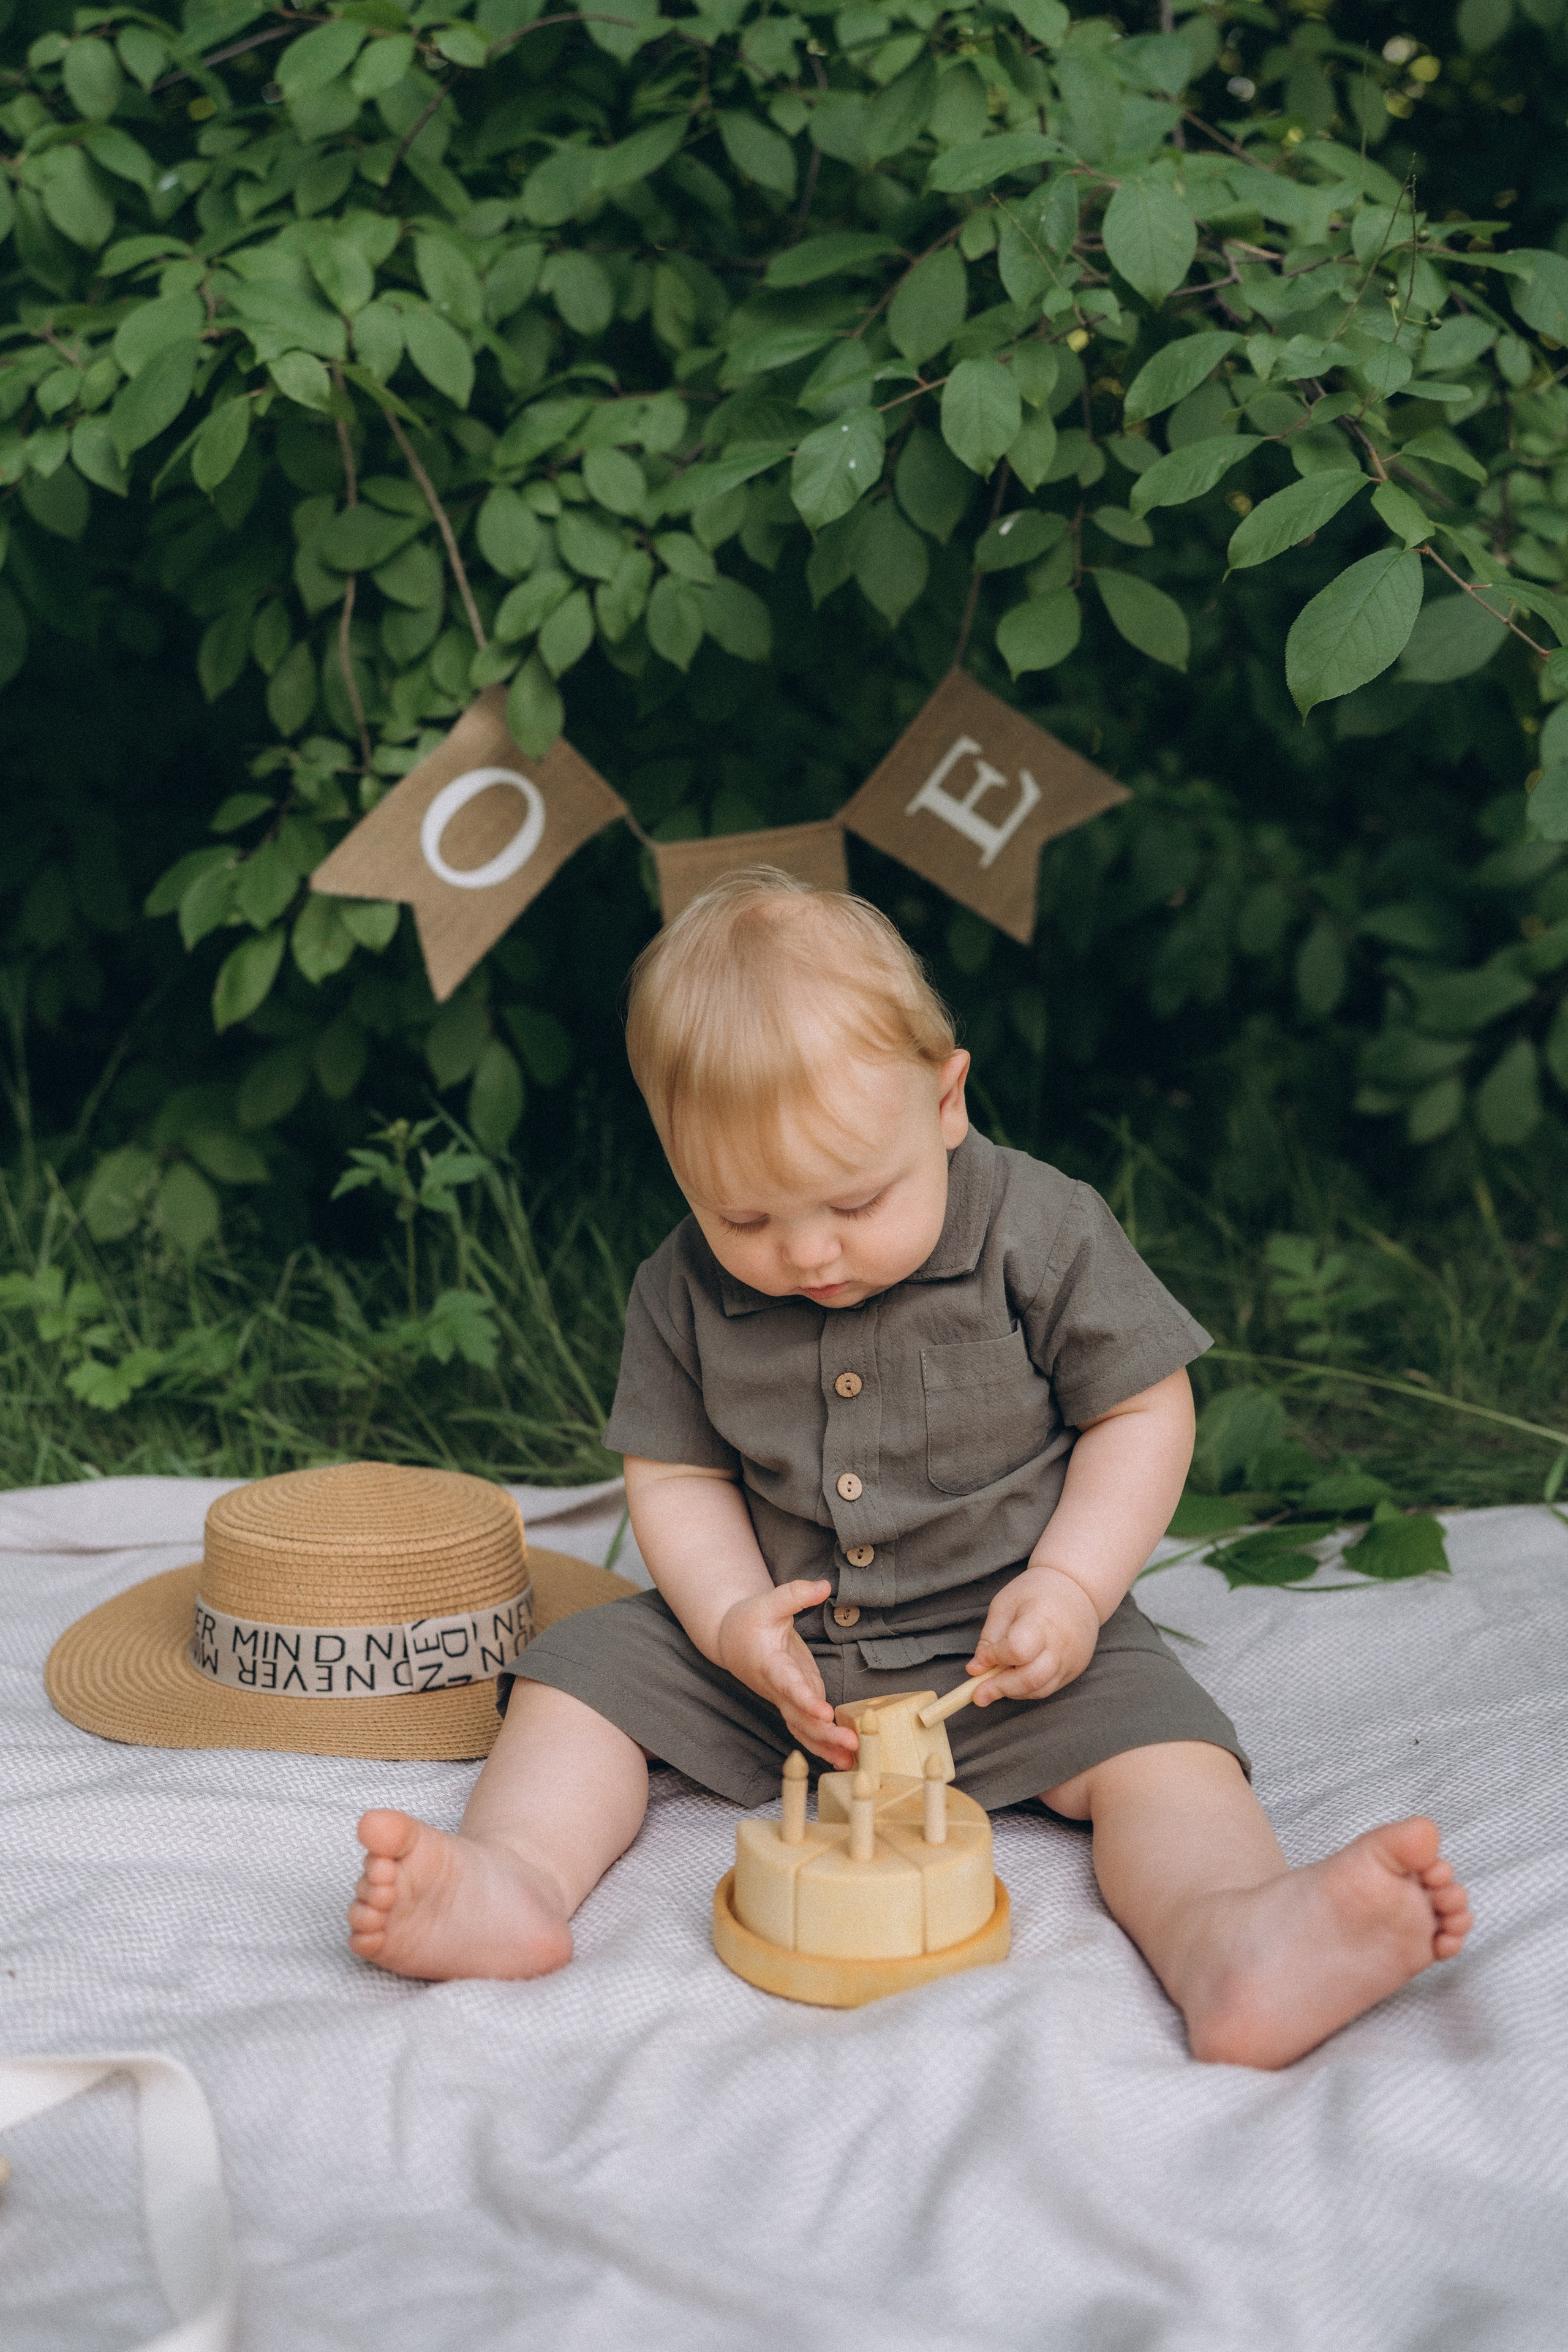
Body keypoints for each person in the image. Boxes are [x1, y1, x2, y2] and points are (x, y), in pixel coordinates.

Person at [347, 867, 1470, 2068]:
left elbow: (1142, 1410)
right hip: (777, 1665)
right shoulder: (678, 1289)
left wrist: (1074, 1587)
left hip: (1011, 1650)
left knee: (1163, 1753)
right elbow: (676, 1478)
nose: (807, 1252)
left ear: (945, 1102)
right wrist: (729, 1620)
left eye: (855, 1201)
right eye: (745, 1219)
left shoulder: (1040, 1231)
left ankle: (1234, 1940)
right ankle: (513, 1880)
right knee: (577, 1678)